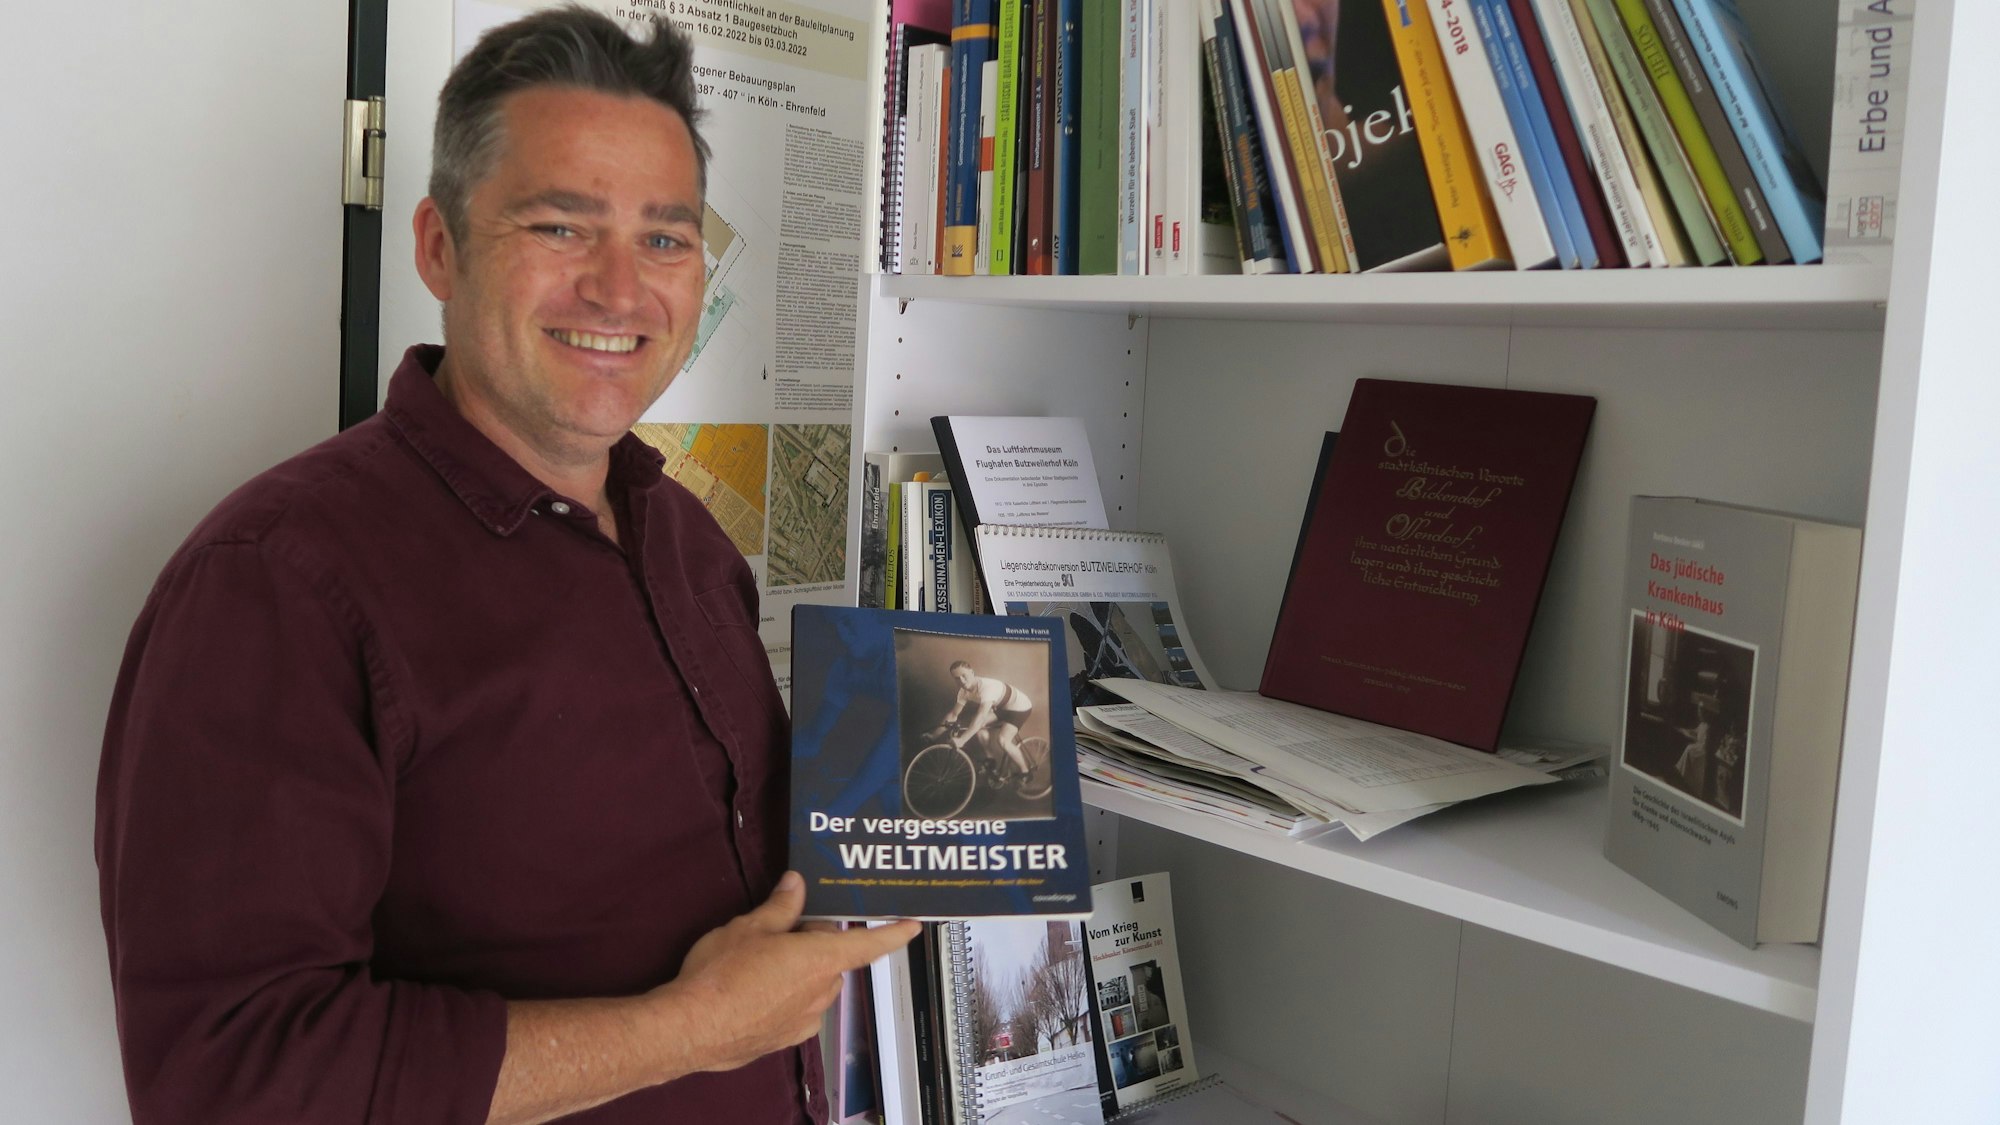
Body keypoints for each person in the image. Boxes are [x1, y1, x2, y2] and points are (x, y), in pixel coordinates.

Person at [93, 9, 917, 1124]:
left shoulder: (689, 541)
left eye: (666, 238)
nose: (622, 292)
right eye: (560, 228)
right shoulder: (276, 582)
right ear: (438, 245)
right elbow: (232, 1081)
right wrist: (689, 1031)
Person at [920, 661, 1042, 794]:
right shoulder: (964, 692)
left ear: (972, 673)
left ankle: (1025, 772)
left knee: (1003, 740)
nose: (961, 680)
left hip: (1019, 707)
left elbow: (981, 717)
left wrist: (962, 740)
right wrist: (934, 735)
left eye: (964, 675)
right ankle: (990, 760)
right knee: (978, 727)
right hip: (1001, 707)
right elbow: (953, 715)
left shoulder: (986, 687)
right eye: (957, 678)